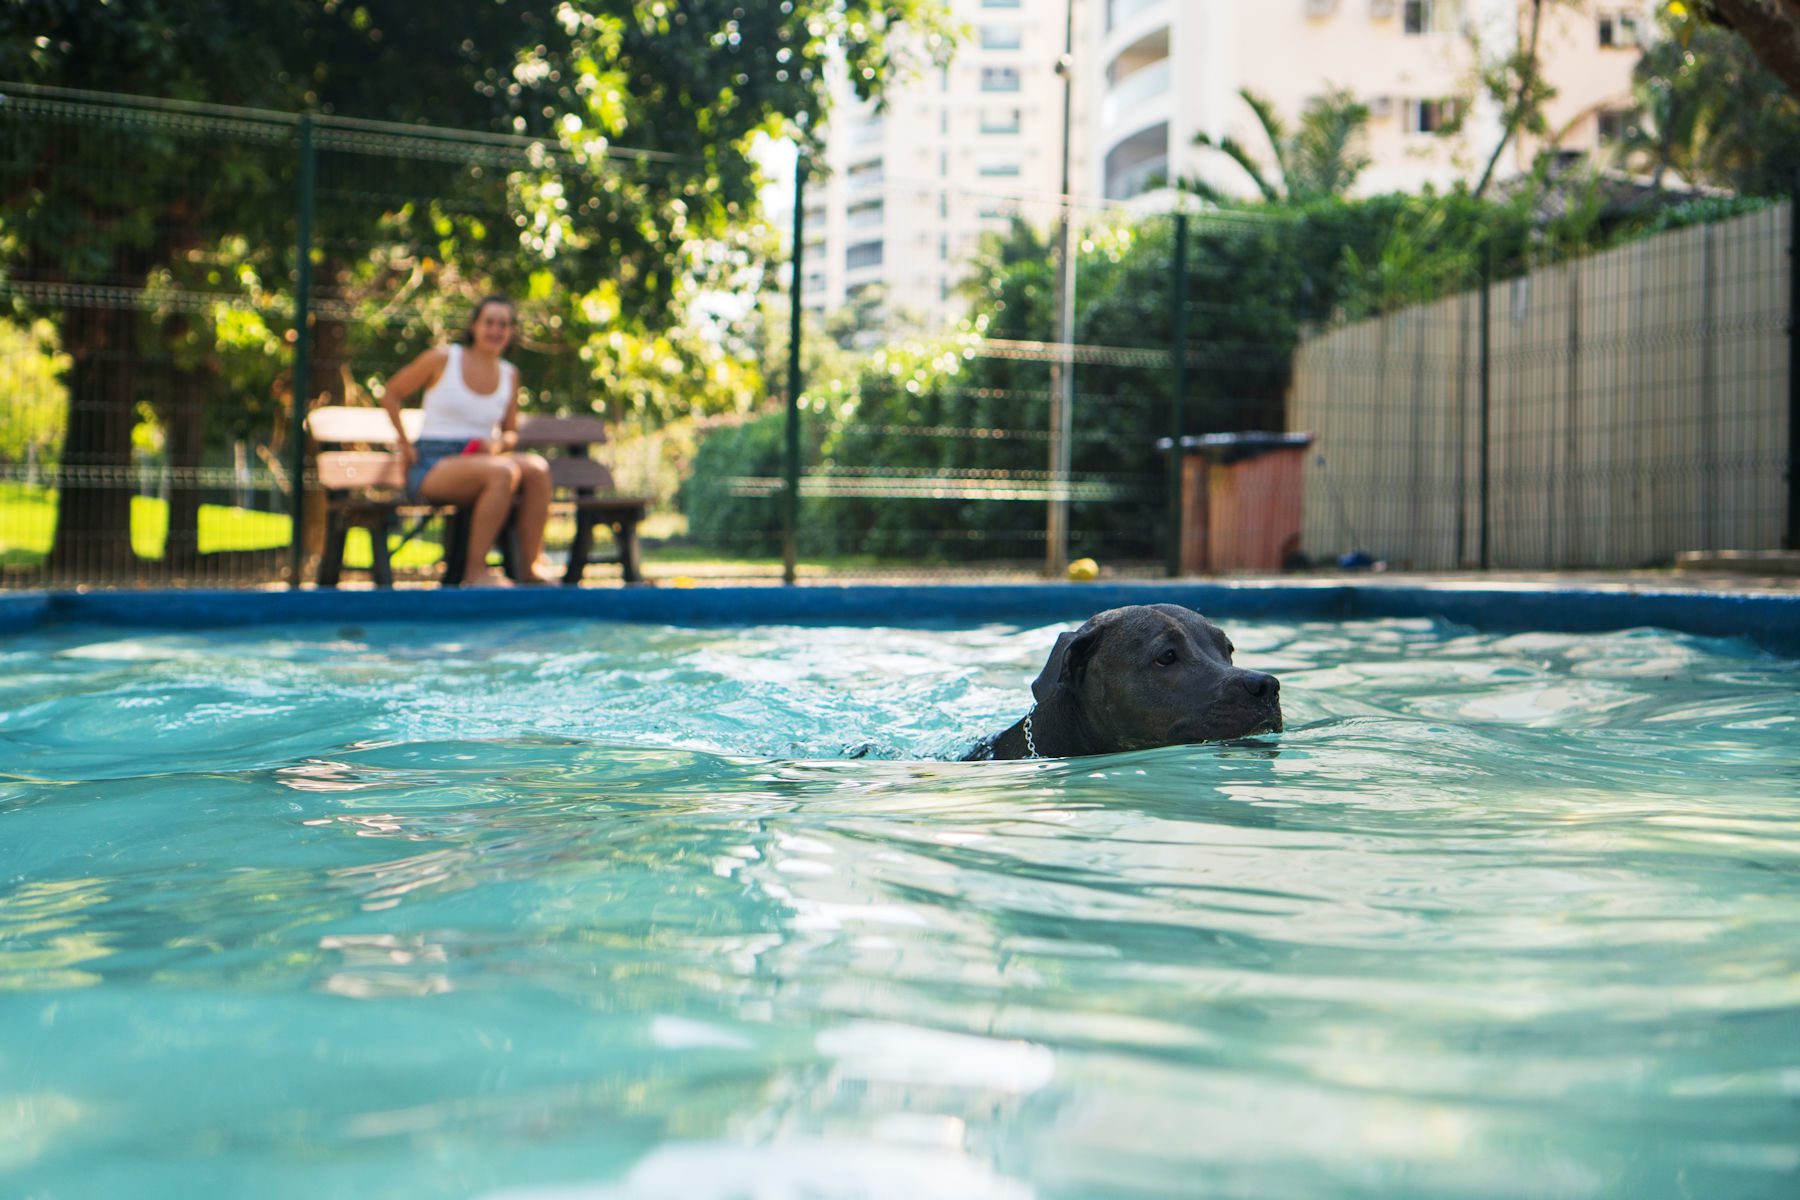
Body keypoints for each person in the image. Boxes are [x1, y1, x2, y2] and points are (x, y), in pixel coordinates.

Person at [378, 296, 554, 586]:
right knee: (503, 473)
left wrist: (497, 445)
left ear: (511, 332)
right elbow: (391, 393)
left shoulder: (510, 374)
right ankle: (475, 571)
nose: (496, 330)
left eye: (504, 324)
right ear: (474, 326)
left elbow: (510, 432)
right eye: (489, 322)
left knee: (537, 468)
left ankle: (530, 568)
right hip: (433, 462)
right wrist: (405, 444)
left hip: (484, 457)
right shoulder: (442, 359)